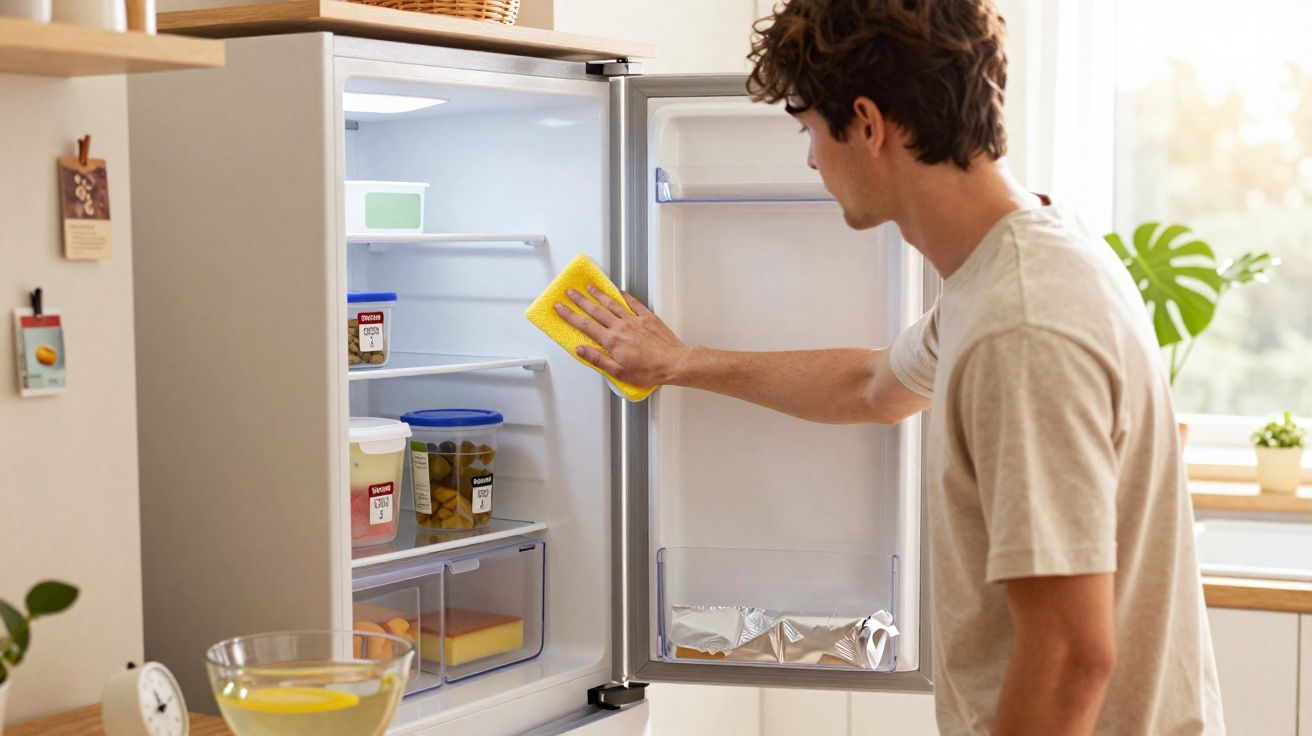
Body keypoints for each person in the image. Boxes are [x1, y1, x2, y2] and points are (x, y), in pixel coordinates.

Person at [554, 0, 1226, 733]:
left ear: (869, 125)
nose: (811, 159)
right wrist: (680, 362)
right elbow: (870, 386)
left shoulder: (1022, 325)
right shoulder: (1009, 268)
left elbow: (1070, 655)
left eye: (810, 129)